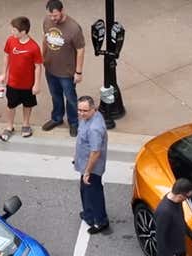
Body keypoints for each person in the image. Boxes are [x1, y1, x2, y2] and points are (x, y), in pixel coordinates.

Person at [41, 0, 85, 137]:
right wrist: (42, 57)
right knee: (55, 95)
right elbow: (45, 38)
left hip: (67, 72)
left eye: (55, 15)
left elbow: (80, 50)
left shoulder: (74, 28)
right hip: (50, 67)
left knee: (71, 98)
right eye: (50, 15)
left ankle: (73, 123)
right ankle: (57, 118)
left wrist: (78, 72)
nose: (53, 19)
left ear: (62, 11)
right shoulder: (47, 21)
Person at [0, 17, 42, 141]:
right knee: (10, 105)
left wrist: (37, 84)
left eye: (14, 30)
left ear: (23, 32)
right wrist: (3, 73)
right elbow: (6, 56)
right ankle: (9, 126)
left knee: (28, 105)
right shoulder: (10, 41)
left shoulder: (34, 47)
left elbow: (38, 66)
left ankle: (26, 124)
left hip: (28, 84)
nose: (12, 32)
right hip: (12, 83)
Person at [74, 96, 109, 234]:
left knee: (94, 193)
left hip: (92, 167)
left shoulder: (94, 128)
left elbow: (95, 153)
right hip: (84, 163)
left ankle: (100, 221)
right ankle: (89, 215)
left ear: (93, 109)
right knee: (85, 191)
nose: (82, 113)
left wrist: (88, 172)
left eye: (85, 111)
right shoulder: (90, 117)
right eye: (80, 110)